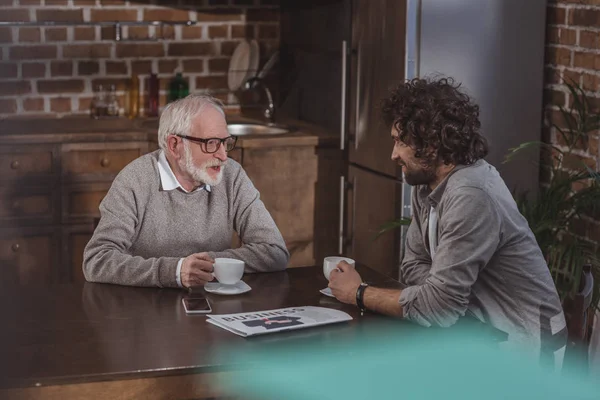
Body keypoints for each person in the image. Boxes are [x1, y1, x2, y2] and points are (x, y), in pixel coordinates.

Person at [328, 77, 567, 360]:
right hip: (475, 334)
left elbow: (438, 308)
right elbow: (413, 265)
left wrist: (358, 292)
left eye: (400, 142)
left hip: (523, 350)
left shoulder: (471, 194)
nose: (393, 154)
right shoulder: (427, 184)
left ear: (432, 144)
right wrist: (436, 296)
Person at [83, 94, 289, 288]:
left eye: (226, 143)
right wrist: (175, 271)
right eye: (211, 143)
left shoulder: (231, 176)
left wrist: (203, 265)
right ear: (174, 145)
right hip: (144, 309)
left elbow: (275, 252)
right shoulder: (135, 180)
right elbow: (97, 260)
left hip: (213, 304)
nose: (223, 155)